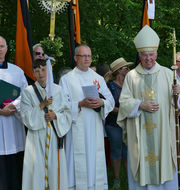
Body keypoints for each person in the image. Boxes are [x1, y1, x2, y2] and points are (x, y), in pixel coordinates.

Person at [117, 25, 180, 190]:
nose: (148, 58)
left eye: (151, 54)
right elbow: (124, 102)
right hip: (140, 133)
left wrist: (178, 94)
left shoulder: (169, 74)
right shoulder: (131, 77)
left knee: (165, 164)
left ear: (156, 54)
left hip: (164, 133)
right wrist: (140, 105)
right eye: (145, 55)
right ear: (139, 55)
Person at [59, 44, 115, 190]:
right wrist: (80, 103)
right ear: (75, 58)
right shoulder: (67, 79)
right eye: (83, 56)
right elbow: (61, 105)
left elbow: (110, 100)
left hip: (94, 127)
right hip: (76, 127)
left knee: (94, 159)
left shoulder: (98, 79)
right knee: (76, 161)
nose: (87, 59)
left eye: (89, 56)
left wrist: (101, 102)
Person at [20, 59, 72, 190]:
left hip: (54, 137)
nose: (40, 73)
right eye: (37, 71)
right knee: (37, 170)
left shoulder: (58, 90)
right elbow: (26, 117)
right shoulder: (28, 92)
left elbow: (67, 112)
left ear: (48, 71)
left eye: (43, 69)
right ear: (33, 73)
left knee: (54, 170)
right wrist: (42, 105)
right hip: (36, 138)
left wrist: (56, 116)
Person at [0, 36, 28, 190]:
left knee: (14, 169)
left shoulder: (17, 71)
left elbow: (25, 94)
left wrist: (13, 106)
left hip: (13, 124)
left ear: (6, 48)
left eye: (2, 46)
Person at [104, 57, 133, 189]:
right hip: (114, 124)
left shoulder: (130, 85)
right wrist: (124, 111)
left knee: (128, 152)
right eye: (126, 68)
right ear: (119, 71)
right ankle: (116, 179)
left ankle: (129, 179)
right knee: (116, 151)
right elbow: (108, 106)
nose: (128, 70)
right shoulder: (109, 86)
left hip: (128, 123)